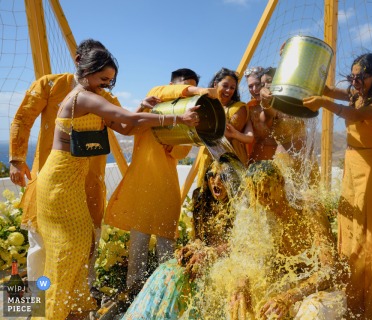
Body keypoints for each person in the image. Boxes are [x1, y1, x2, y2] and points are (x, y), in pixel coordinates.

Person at [35, 47, 200, 320]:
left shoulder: (93, 97)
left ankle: (71, 310)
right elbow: (129, 120)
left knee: (80, 245)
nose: (107, 86)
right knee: (69, 249)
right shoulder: (83, 98)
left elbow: (125, 127)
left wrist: (142, 107)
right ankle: (54, 310)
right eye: (103, 80)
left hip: (72, 180)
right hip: (59, 182)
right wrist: (177, 119)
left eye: (111, 81)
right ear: (86, 72)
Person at [8, 39, 121, 287]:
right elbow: (23, 119)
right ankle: (40, 304)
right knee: (40, 245)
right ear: (79, 61)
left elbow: (125, 124)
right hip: (51, 179)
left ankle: (79, 301)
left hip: (88, 181)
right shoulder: (50, 84)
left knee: (87, 241)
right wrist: (17, 159)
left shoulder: (105, 96)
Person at [303, 53, 372, 319]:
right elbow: (323, 88)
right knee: (351, 227)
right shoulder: (353, 94)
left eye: (362, 77)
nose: (356, 81)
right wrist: (299, 58)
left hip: (369, 171)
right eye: (353, 76)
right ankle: (353, 292)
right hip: (351, 166)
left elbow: (354, 115)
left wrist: (325, 103)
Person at [104, 68, 217, 292]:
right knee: (139, 244)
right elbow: (131, 127)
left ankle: (167, 292)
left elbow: (182, 152)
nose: (187, 95)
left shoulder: (188, 117)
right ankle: (134, 291)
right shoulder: (155, 99)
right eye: (186, 88)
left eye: (191, 91)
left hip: (166, 186)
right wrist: (200, 90)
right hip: (142, 184)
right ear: (173, 86)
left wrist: (173, 145)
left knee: (167, 245)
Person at [223, 160, 346, 320]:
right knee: (239, 305)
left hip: (322, 292)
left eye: (266, 193)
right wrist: (241, 287)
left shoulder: (309, 208)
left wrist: (288, 297)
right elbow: (249, 262)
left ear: (281, 182)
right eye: (257, 196)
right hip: (287, 287)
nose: (264, 202)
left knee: (314, 312)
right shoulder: (260, 217)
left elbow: (329, 270)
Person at [121, 158, 240, 319]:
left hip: (227, 262)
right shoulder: (201, 199)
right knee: (167, 271)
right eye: (212, 175)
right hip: (202, 257)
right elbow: (198, 238)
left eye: (223, 177)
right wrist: (189, 249)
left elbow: (238, 245)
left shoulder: (240, 205)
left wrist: (209, 255)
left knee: (190, 277)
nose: (216, 181)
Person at [196, 67, 253, 183]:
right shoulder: (203, 104)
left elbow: (225, 135)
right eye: (225, 86)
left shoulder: (239, 108)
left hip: (231, 162)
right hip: (208, 159)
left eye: (232, 88)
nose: (228, 91)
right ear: (216, 84)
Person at [245, 66, 279, 164]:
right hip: (257, 161)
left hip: (282, 159)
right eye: (250, 86)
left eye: (257, 84)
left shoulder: (279, 103)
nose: (254, 89)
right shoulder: (248, 108)